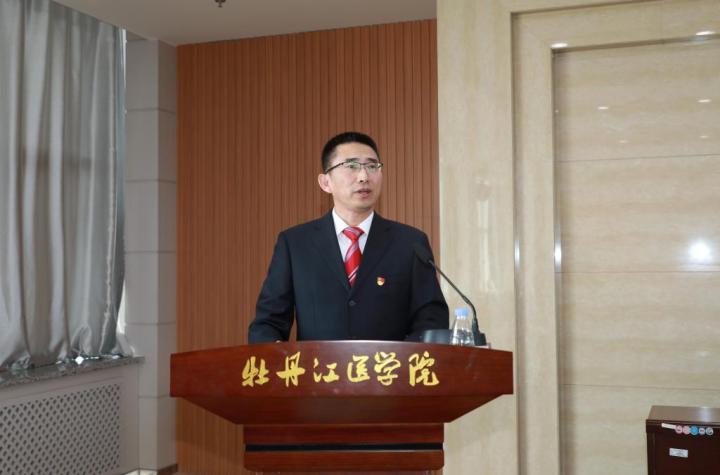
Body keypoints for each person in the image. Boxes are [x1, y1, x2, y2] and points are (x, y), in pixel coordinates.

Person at [248, 131, 448, 343]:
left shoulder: (410, 243)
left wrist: (402, 359)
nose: (364, 176)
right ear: (325, 182)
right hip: (316, 365)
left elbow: (431, 321)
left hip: (390, 365)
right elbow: (267, 324)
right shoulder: (295, 244)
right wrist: (276, 353)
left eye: (372, 166)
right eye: (351, 166)